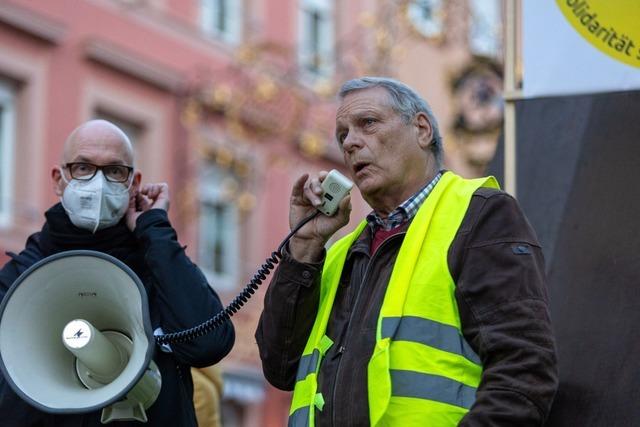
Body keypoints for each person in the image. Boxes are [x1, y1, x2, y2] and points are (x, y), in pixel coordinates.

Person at [255, 77, 558, 426]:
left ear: (422, 129)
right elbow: (280, 368)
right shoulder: (338, 254)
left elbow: (524, 369)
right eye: (342, 135)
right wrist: (305, 246)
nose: (350, 142)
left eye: (367, 123)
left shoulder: (479, 216)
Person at [0, 120, 235, 426]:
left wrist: (155, 229)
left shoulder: (160, 267)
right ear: (59, 179)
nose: (98, 183)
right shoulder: (19, 278)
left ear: (133, 183)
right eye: (83, 168)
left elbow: (210, 343)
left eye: (114, 171)